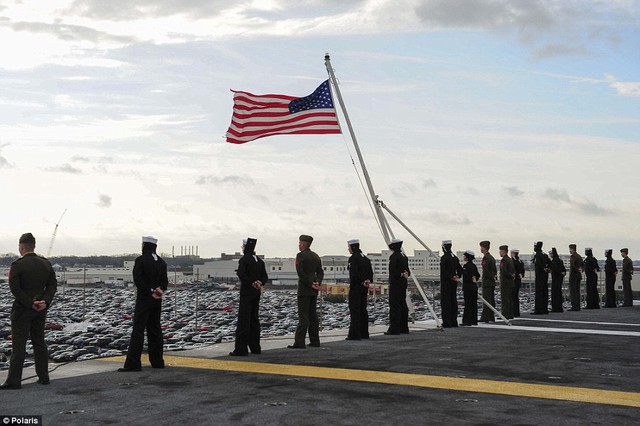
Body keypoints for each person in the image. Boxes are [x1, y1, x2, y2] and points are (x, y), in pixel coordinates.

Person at [1, 233, 57, 390]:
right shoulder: (46, 264)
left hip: (22, 311)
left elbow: (15, 289)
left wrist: (30, 303)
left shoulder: (17, 265)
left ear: (21, 247)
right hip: (40, 311)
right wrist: (44, 302)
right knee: (39, 343)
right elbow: (52, 285)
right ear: (34, 246)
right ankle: (44, 377)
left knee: (19, 345)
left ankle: (14, 381)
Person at [119, 236, 168, 372]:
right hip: (157, 300)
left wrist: (149, 290)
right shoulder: (162, 263)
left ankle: (133, 363)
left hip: (144, 299)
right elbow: (165, 283)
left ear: (144, 246)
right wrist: (159, 290)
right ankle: (157, 361)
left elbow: (138, 279)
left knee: (138, 331)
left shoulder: (141, 260)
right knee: (155, 330)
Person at [230, 238, 269, 356]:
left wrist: (251, 282)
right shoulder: (260, 261)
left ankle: (241, 349)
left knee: (243, 320)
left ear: (246, 247)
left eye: (242, 246)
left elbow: (241, 274)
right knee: (254, 320)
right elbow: (265, 276)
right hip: (256, 293)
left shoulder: (244, 260)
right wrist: (259, 283)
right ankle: (255, 347)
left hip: (247, 292)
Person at [289, 235, 324, 349]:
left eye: (299, 243)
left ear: (303, 244)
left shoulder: (300, 256)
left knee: (303, 317)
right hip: (313, 291)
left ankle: (299, 342)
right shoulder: (316, 256)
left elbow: (300, 272)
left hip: (304, 290)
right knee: (313, 316)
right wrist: (317, 282)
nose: (298, 245)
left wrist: (309, 283)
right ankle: (315, 340)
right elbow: (320, 272)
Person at [346, 239, 373, 340]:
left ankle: (355, 334)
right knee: (363, 310)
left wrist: (360, 281)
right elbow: (370, 273)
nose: (348, 249)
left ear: (353, 247)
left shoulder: (353, 259)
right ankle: (364, 333)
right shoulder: (365, 258)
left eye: (349, 247)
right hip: (364, 288)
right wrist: (367, 281)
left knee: (355, 311)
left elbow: (354, 274)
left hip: (356, 288)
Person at [385, 238, 410, 335]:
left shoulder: (394, 257)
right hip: (403, 284)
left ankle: (394, 328)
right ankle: (404, 327)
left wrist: (400, 274)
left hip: (395, 284)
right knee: (403, 305)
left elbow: (393, 271)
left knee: (395, 306)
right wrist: (405, 274)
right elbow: (407, 270)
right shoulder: (404, 256)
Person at [440, 240, 463, 328]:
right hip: (454, 283)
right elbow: (460, 269)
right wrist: (457, 276)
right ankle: (454, 321)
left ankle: (447, 322)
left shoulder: (444, 258)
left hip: (446, 283)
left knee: (446, 302)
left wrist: (451, 277)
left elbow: (444, 272)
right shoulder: (455, 257)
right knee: (453, 301)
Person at [478, 241, 497, 323]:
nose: (480, 249)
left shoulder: (486, 258)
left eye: (481, 247)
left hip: (487, 282)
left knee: (486, 300)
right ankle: (491, 316)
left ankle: (485, 317)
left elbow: (485, 271)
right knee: (491, 300)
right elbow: (495, 271)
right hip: (491, 282)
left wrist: (488, 277)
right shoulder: (491, 257)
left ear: (484, 248)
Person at [461, 250, 480, 326]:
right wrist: (475, 279)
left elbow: (465, 276)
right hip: (474, 287)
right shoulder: (474, 266)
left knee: (468, 304)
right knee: (473, 304)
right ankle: (473, 320)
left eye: (464, 256)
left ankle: (467, 321)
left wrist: (471, 279)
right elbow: (478, 275)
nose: (464, 257)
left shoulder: (466, 266)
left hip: (468, 287)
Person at [531, 241, 550, 315]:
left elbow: (538, 265)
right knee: (544, 293)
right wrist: (547, 268)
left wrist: (543, 268)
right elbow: (549, 263)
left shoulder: (538, 255)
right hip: (545, 276)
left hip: (539, 276)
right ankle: (544, 308)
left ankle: (538, 310)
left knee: (539, 293)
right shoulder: (544, 255)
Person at [499, 245, 515, 320]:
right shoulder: (510, 260)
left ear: (503, 251)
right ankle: (510, 314)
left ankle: (505, 314)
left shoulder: (504, 260)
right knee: (509, 299)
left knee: (505, 299)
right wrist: (512, 275)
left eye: (500, 251)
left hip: (505, 282)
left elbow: (504, 271)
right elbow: (512, 271)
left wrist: (510, 276)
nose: (499, 253)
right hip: (510, 283)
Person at [549, 247, 566, 313]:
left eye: (551, 254)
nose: (550, 255)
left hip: (556, 278)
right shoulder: (559, 260)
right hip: (559, 279)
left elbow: (555, 269)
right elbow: (563, 269)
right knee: (558, 293)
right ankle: (559, 307)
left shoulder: (554, 261)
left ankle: (555, 307)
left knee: (555, 293)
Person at [568, 244, 584, 311]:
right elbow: (583, 265)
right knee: (577, 291)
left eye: (570, 249)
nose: (569, 250)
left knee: (573, 291)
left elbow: (572, 265)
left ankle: (574, 306)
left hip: (573, 276)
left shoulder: (573, 256)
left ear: (572, 249)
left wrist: (577, 269)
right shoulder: (579, 256)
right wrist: (581, 269)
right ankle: (578, 306)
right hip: (578, 276)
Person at [511, 248, 524, 317]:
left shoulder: (513, 261)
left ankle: (513, 312)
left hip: (514, 280)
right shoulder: (520, 261)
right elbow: (522, 270)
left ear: (513, 253)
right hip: (518, 280)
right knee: (516, 297)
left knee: (513, 296)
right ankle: (516, 312)